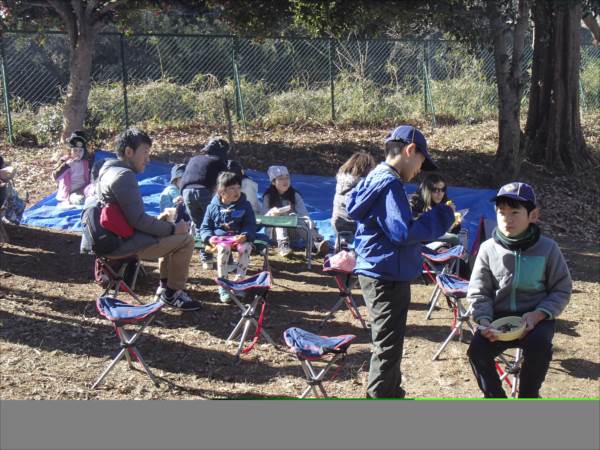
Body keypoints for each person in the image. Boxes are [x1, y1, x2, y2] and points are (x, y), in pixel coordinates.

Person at [347, 125, 455, 398]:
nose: (420, 169)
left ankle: (392, 392)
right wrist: (442, 216)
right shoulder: (390, 183)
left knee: (390, 341)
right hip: (386, 274)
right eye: (421, 160)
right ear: (409, 151)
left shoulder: (376, 178)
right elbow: (403, 232)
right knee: (387, 344)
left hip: (381, 269)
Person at [467, 182, 572, 398]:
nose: (507, 218)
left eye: (515, 212)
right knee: (476, 351)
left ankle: (528, 396)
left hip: (535, 318)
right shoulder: (488, 249)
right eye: (501, 212)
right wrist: (484, 321)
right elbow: (479, 291)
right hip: (497, 320)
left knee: (539, 346)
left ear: (533, 215)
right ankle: (495, 399)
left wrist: (539, 313)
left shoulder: (548, 248)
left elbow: (561, 289)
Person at [81, 127, 201, 311]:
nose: (148, 159)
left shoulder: (106, 171)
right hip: (121, 244)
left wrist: (161, 222)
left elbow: (127, 216)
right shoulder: (124, 176)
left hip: (111, 239)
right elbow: (138, 221)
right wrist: (172, 229)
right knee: (185, 240)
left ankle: (165, 288)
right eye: (145, 153)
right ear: (129, 152)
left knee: (169, 230)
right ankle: (173, 293)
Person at [199, 171, 257, 303]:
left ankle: (239, 282)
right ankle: (223, 285)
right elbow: (205, 227)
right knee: (223, 248)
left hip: (238, 239)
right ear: (221, 191)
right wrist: (209, 238)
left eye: (238, 187)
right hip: (221, 240)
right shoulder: (212, 207)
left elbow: (250, 224)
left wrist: (245, 235)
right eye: (231, 188)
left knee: (246, 247)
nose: (236, 191)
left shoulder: (245, 205)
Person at [180, 138, 229, 269]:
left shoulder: (194, 159)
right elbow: (226, 181)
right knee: (218, 223)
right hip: (204, 191)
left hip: (186, 192)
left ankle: (206, 258)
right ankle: (227, 260)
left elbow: (185, 177)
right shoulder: (219, 161)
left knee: (199, 225)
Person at [263, 165, 329, 258]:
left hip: (294, 231)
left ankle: (315, 243)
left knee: (295, 216)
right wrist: (272, 213)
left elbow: (304, 214)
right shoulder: (268, 197)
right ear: (274, 182)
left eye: (287, 178)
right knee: (280, 217)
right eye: (281, 179)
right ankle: (283, 245)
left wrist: (313, 230)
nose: (285, 181)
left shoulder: (294, 195)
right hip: (274, 233)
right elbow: (264, 219)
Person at [331, 152, 376, 249]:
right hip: (353, 224)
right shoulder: (361, 185)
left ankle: (342, 243)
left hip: (337, 220)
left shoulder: (342, 182)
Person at [410, 173, 462, 249]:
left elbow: (450, 231)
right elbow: (417, 229)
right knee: (454, 239)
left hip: (440, 244)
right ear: (427, 190)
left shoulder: (445, 204)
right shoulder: (415, 204)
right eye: (435, 190)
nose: (440, 193)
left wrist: (454, 224)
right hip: (420, 244)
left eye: (443, 189)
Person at [53, 131, 93, 206]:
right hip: (71, 193)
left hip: (84, 189)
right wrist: (66, 166)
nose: (78, 153)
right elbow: (55, 177)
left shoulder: (85, 162)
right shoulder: (65, 161)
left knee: (96, 192)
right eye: (75, 150)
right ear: (70, 151)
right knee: (80, 200)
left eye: (80, 150)